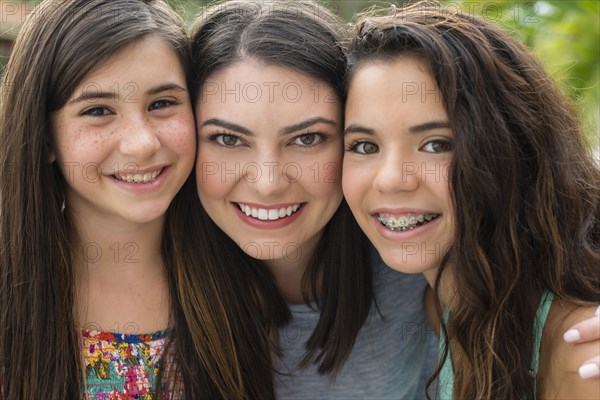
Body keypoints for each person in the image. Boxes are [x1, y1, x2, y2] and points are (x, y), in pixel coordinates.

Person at [0, 0, 266, 398]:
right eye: (98, 110)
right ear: (44, 134)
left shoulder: (250, 277)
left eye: (162, 103)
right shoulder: (12, 293)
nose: (142, 143)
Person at [342, 2, 600, 399]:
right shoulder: (440, 301)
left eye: (436, 144)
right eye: (363, 145)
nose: (392, 178)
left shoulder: (579, 351)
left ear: (513, 148)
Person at [190, 1, 437, 398]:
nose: (268, 182)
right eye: (228, 139)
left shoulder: (409, 253)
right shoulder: (149, 283)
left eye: (307, 139)